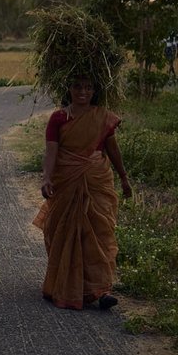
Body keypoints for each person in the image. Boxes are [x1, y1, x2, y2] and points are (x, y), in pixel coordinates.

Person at [33, 76, 132, 310]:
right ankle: (64, 283)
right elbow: (51, 152)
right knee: (63, 231)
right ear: (68, 88)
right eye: (77, 86)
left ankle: (101, 289)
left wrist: (124, 178)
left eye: (88, 87)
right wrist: (46, 177)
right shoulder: (58, 118)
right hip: (66, 182)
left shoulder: (101, 117)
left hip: (96, 181)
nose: (83, 91)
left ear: (94, 91)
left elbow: (112, 149)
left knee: (98, 233)